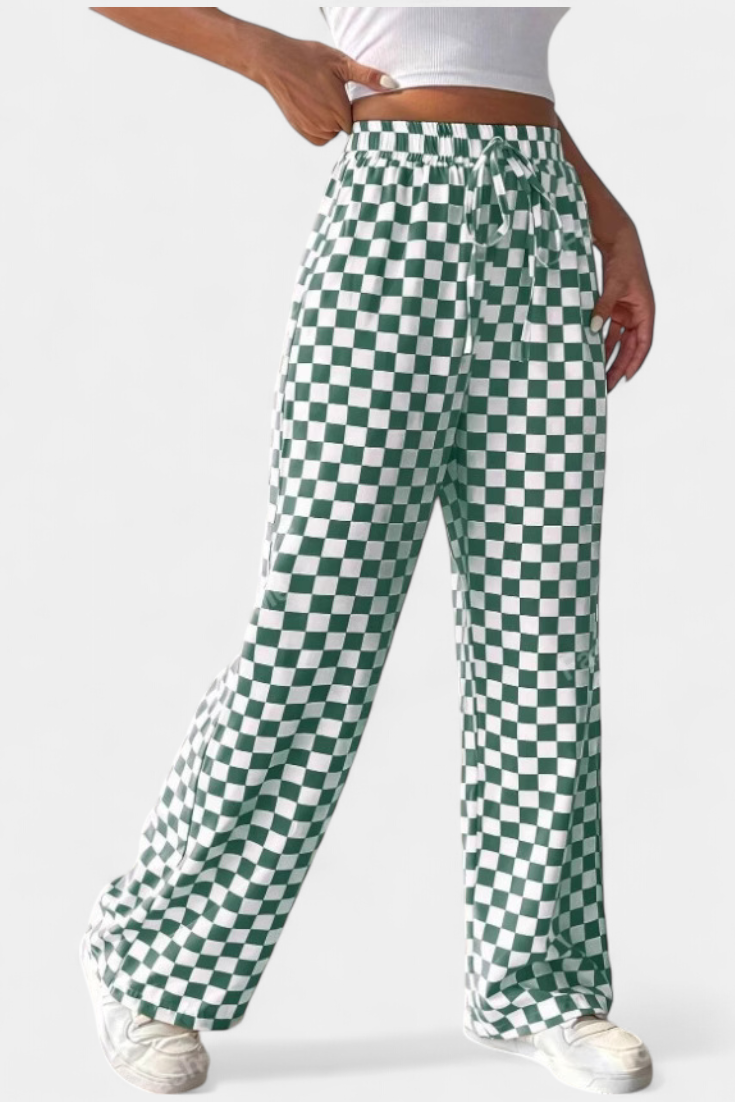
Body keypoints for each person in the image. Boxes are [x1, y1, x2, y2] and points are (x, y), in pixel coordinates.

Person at [80, 6, 656, 1096]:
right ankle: (150, 962)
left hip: (542, 227)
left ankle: (540, 983)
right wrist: (261, 52)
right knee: (316, 621)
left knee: (543, 631)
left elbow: (495, 60)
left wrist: (609, 219)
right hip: (393, 220)